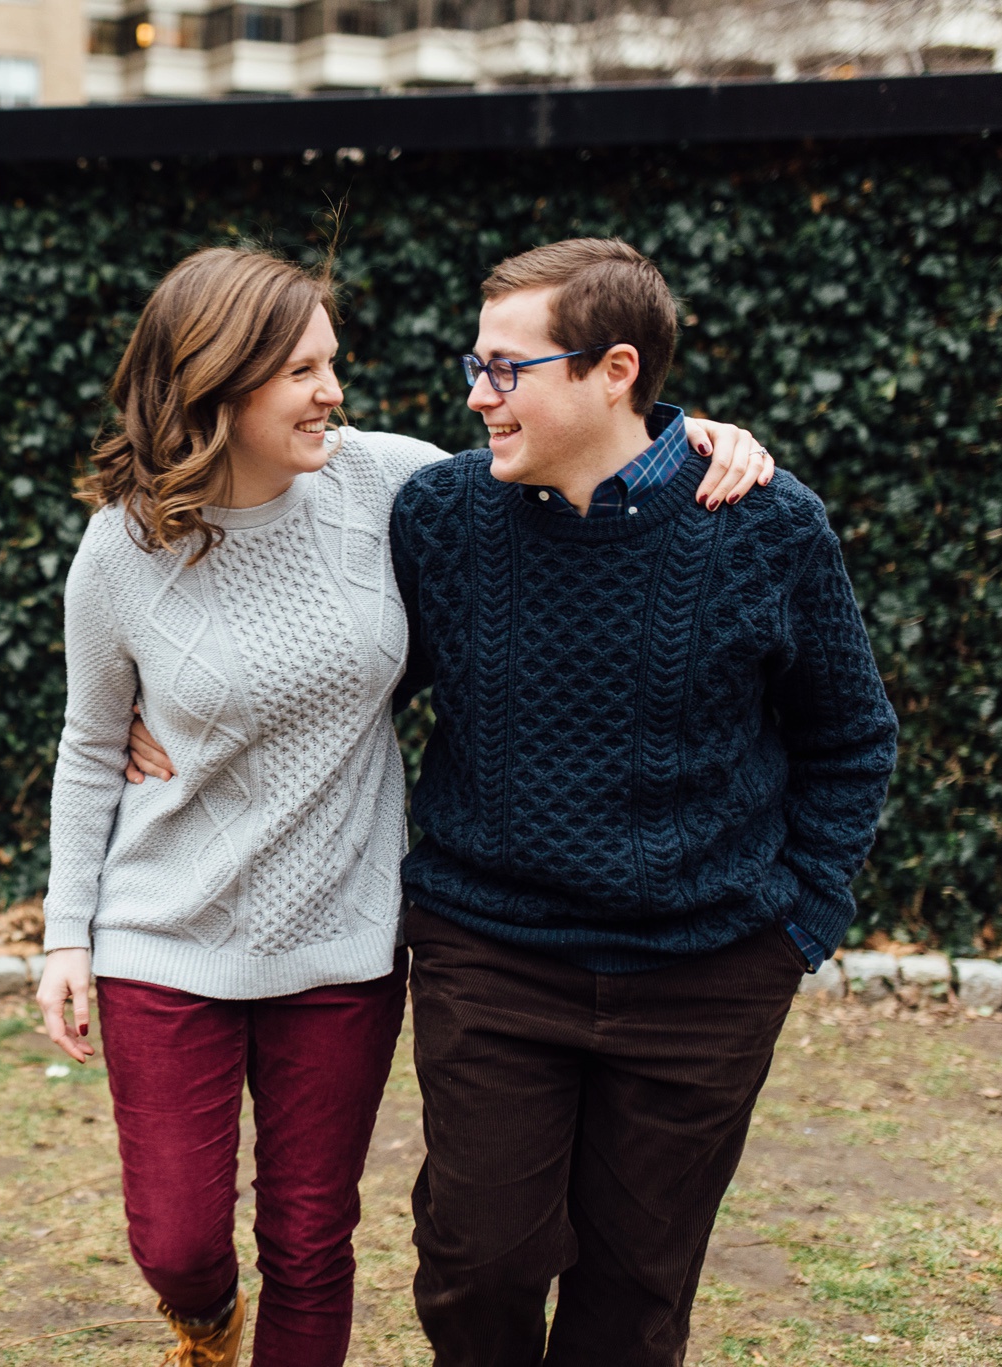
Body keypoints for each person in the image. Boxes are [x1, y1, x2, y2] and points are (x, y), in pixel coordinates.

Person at [37, 242, 775, 1367]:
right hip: (163, 934)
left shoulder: (386, 481)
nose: (334, 391)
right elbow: (92, 746)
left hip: (343, 934)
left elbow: (581, 451)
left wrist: (700, 438)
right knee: (178, 1238)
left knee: (310, 1236)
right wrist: (64, 933)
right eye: (301, 372)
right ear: (217, 381)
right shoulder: (122, 549)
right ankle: (199, 1318)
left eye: (332, 363)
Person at [384, 239, 897, 1366]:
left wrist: (797, 923)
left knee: (633, 1295)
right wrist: (161, 710)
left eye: (505, 368)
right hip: (493, 952)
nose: (474, 392)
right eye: (473, 361)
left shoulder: (765, 522)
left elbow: (849, 733)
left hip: (703, 974)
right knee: (477, 1265)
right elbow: (344, 671)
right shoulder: (437, 515)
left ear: (612, 369)